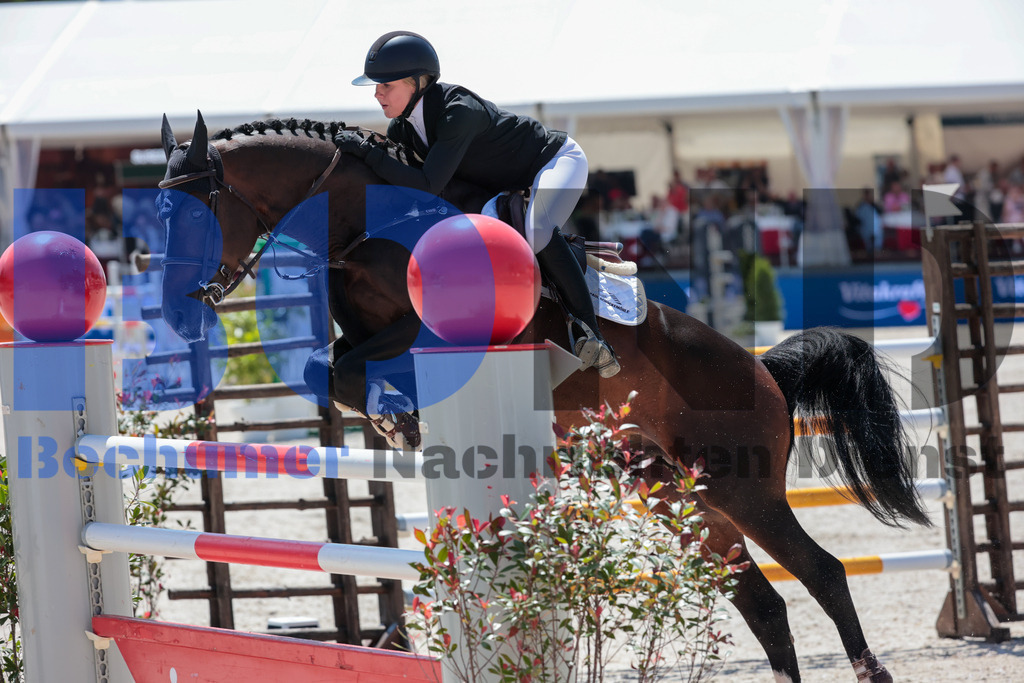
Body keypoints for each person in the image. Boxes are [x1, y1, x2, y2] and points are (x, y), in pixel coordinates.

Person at [336, 31, 619, 378]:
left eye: (386, 86)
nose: (377, 94)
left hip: (554, 162)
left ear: (417, 83)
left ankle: (591, 335)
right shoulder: (403, 129)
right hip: (499, 187)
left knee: (537, 228)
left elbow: (427, 184)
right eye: (376, 87)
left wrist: (365, 151)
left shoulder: (458, 112)